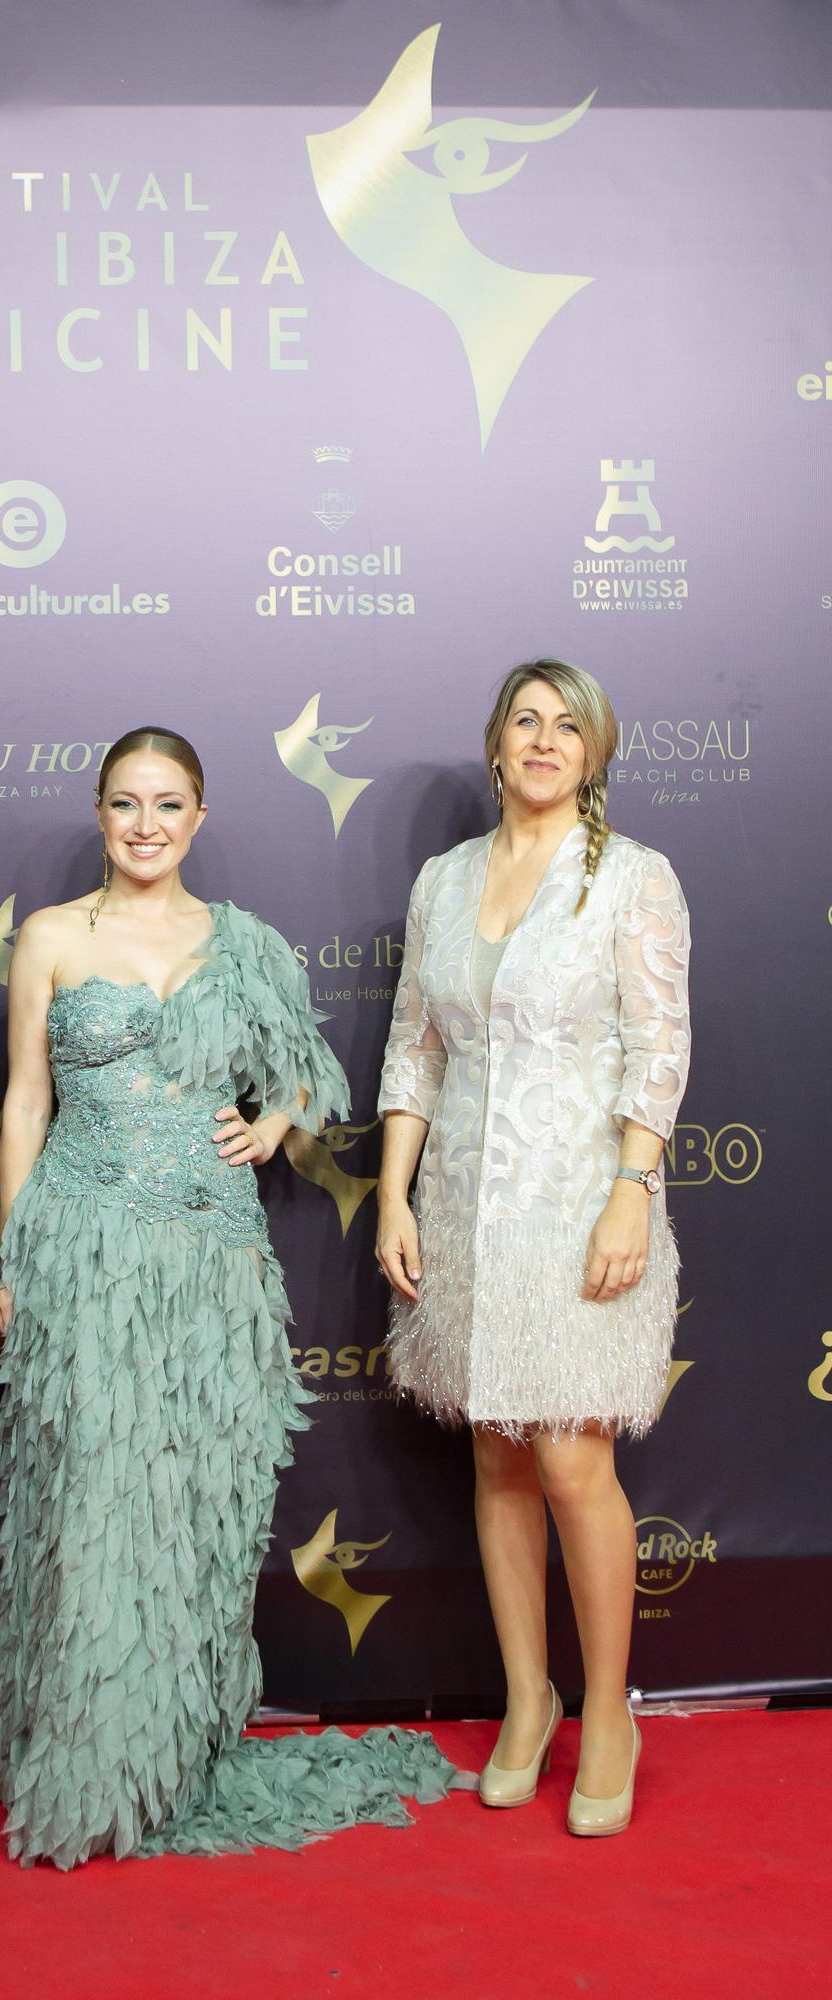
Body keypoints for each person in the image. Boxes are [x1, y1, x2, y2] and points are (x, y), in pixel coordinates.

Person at [0, 725, 458, 1868]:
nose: (145, 825)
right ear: (99, 813)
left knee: (192, 1506)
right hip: (84, 1250)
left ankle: (177, 1753)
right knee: (93, 1504)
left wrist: (273, 1125)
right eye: (125, 803)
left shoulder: (242, 944)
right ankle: (91, 1765)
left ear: (199, 818)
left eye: (167, 804)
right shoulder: (48, 938)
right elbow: (25, 1108)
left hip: (210, 1261)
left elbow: (304, 1065)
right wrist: (12, 1259)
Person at [376, 659, 691, 1838]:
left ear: (595, 752)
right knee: (498, 1460)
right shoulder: (444, 879)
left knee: (570, 1463)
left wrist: (631, 1191)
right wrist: (394, 1194)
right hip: (461, 1208)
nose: (546, 740)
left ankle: (607, 1708)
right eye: (527, 719)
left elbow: (658, 1051)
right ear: (496, 743)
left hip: (579, 1211)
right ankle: (529, 1697)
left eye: (570, 725)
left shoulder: (634, 880)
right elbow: (414, 1047)